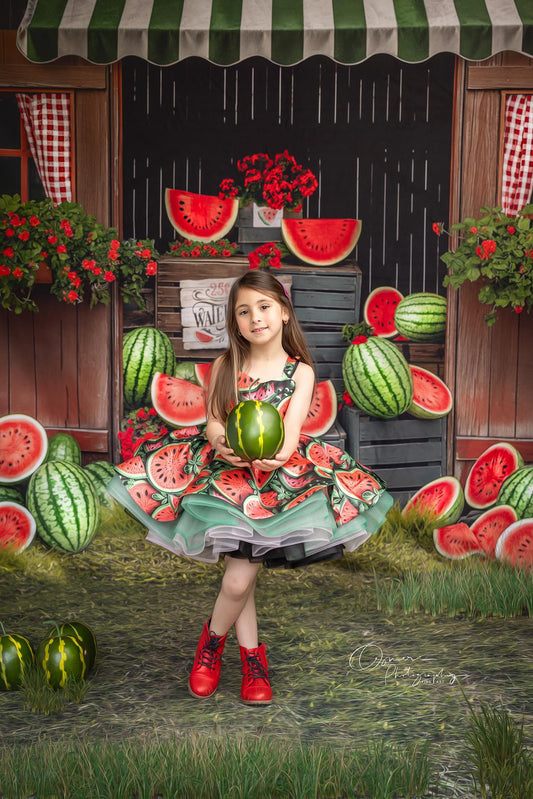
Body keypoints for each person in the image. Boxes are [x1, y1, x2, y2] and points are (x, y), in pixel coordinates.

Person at [108, 269, 393, 705]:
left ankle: (214, 644)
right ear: (235, 322)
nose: (255, 317)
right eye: (244, 311)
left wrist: (277, 454)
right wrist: (223, 444)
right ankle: (246, 660)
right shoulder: (226, 366)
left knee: (241, 577)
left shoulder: (300, 373)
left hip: (278, 484)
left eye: (263, 307)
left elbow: (292, 431)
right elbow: (214, 423)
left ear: (282, 312)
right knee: (241, 578)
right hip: (227, 481)